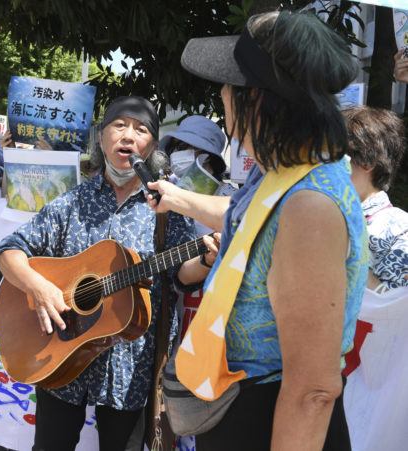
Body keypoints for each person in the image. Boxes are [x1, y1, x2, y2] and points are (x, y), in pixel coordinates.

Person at [147, 10, 368, 449]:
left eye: (231, 83)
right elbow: (248, 218)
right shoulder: (284, 172)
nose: (224, 93)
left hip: (275, 421)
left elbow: (312, 391)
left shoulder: (309, 207)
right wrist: (178, 199)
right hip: (247, 409)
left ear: (258, 100)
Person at [0, 96, 201, 451]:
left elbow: (181, 275)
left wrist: (208, 258)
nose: (129, 136)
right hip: (59, 350)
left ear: (151, 146)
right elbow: (8, 250)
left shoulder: (166, 207)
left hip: (132, 364)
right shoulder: (73, 200)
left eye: (141, 130)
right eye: (119, 126)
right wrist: (40, 288)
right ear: (101, 138)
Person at [343, 106, 408, 291]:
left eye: (333, 157)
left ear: (367, 162)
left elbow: (394, 310)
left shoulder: (400, 232)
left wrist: (347, 255)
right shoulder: (315, 215)